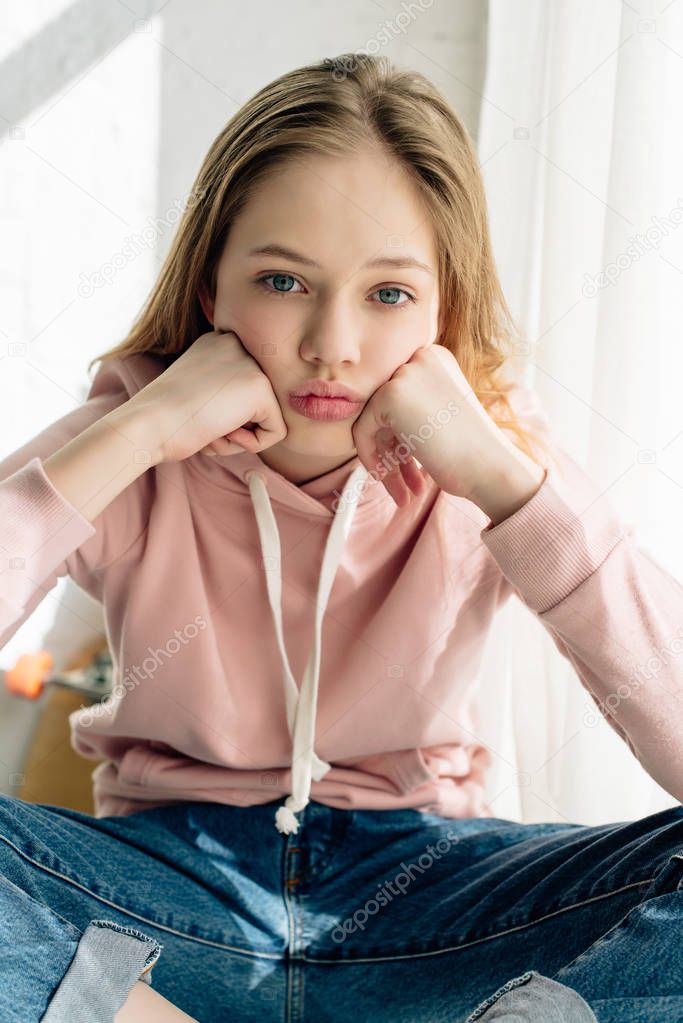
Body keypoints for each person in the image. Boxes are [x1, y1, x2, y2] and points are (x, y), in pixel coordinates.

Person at [0, 51, 681, 1023]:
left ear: (443, 305)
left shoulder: (488, 457)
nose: (333, 344)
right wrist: (139, 432)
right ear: (209, 288)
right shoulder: (133, 433)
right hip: (156, 908)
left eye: (388, 295)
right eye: (283, 281)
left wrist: (497, 481)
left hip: (429, 907)